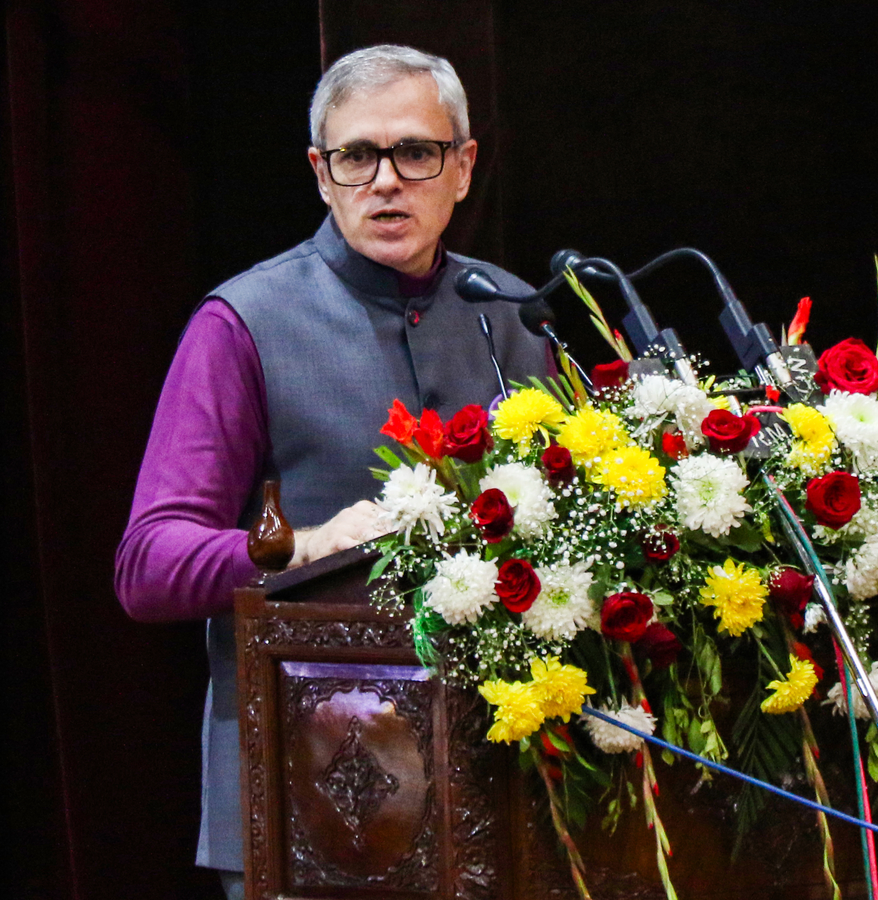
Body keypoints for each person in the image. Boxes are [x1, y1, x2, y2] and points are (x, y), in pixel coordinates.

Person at [114, 45, 551, 898]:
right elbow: (147, 565)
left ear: (462, 168)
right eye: (357, 156)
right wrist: (305, 547)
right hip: (309, 806)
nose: (386, 181)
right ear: (321, 174)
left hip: (499, 796)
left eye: (415, 153)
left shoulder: (514, 314)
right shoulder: (244, 321)